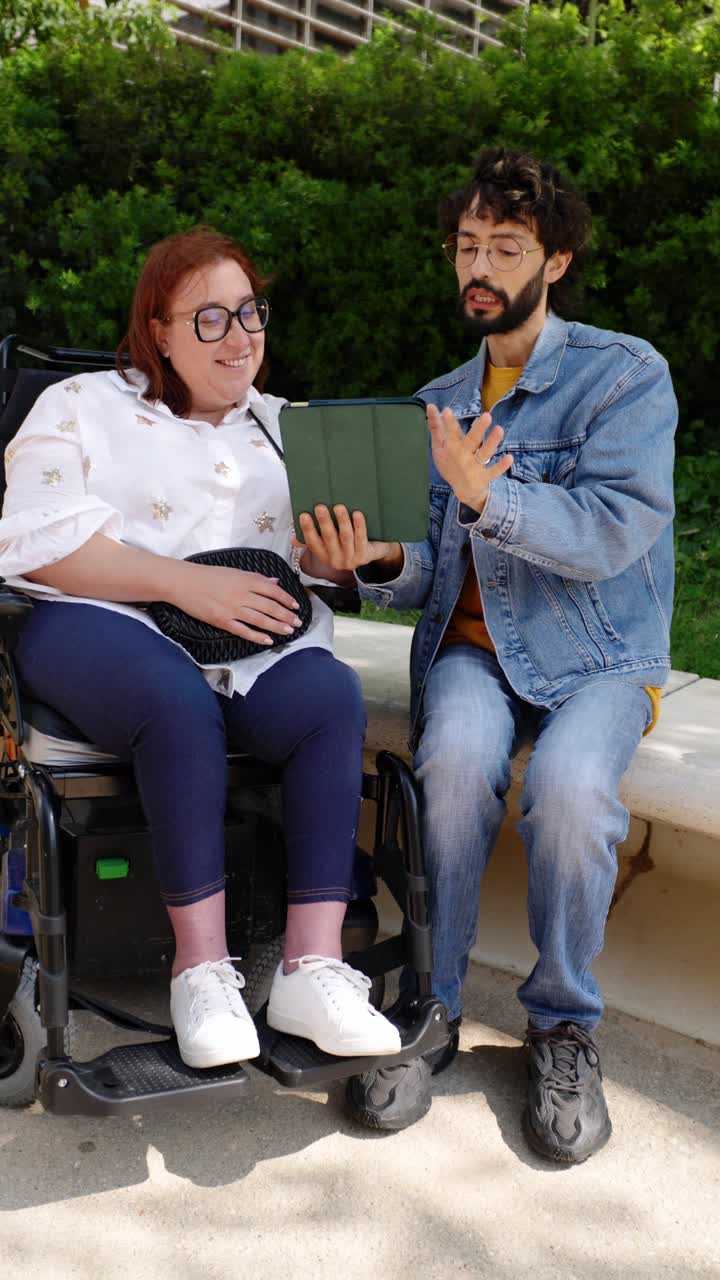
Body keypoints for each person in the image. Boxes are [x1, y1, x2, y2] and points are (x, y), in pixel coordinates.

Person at [298, 149, 677, 1162]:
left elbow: (610, 529)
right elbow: (439, 562)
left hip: (600, 657)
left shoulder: (624, 374)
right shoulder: (439, 398)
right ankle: (432, 1003)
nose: (480, 263)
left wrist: (486, 496)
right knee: (455, 767)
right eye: (468, 244)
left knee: (566, 790)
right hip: (470, 651)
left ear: (554, 259)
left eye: (506, 246)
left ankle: (562, 1025)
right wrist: (378, 559)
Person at [0, 227, 402, 1071]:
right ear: (160, 329)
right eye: (210, 318)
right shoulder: (81, 406)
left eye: (249, 312)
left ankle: (311, 966)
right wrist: (183, 584)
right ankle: (202, 971)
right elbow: (35, 545)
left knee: (330, 698)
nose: (240, 335)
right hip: (99, 619)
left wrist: (338, 560)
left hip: (248, 649)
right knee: (174, 702)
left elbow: (319, 574)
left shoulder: (289, 428)